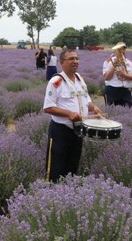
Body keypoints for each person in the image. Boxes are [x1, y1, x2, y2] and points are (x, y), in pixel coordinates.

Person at [43, 49, 102, 182]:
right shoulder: (56, 82)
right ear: (62, 62)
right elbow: (48, 107)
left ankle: (67, 193)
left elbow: (86, 100)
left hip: (78, 130)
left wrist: (94, 108)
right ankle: (52, 194)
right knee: (56, 168)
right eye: (71, 59)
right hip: (61, 131)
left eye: (76, 58)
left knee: (72, 166)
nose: (75, 61)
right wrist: (68, 113)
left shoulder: (80, 79)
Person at [102, 42, 132, 107]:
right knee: (111, 111)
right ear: (115, 51)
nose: (122, 52)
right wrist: (114, 65)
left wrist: (124, 74)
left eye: (123, 50)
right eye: (119, 50)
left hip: (125, 91)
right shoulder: (108, 62)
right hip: (112, 90)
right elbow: (106, 78)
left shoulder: (129, 63)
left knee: (129, 109)